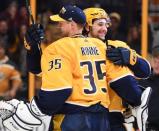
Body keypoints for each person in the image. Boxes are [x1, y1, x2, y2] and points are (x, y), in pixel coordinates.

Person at [83, 7, 151, 131]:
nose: (104, 28)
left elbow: (146, 71)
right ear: (87, 26)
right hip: (83, 114)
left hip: (113, 115)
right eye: (99, 24)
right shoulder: (75, 49)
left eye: (106, 24)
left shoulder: (116, 46)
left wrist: (131, 58)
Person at [138, 45, 159, 131]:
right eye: (155, 60)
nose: (157, 63)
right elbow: (136, 105)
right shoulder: (143, 82)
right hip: (149, 127)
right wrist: (137, 125)